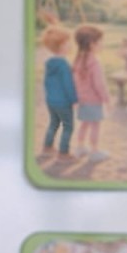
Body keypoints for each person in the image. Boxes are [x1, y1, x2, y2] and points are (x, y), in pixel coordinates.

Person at [71, 25, 110, 161]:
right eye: (101, 42)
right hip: (93, 100)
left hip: (81, 100)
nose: (102, 45)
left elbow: (74, 82)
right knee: (95, 125)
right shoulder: (94, 62)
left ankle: (80, 147)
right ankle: (94, 151)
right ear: (92, 44)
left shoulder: (78, 60)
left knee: (84, 124)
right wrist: (106, 99)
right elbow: (99, 84)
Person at [40, 26, 78, 159]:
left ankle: (47, 147)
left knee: (53, 123)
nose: (71, 45)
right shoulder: (63, 64)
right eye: (68, 43)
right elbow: (68, 85)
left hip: (51, 101)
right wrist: (74, 100)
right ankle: (63, 152)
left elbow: (46, 83)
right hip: (63, 102)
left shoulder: (50, 63)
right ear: (62, 46)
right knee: (68, 126)